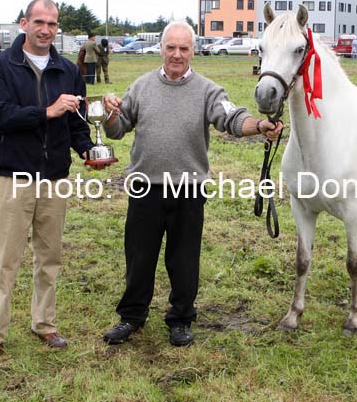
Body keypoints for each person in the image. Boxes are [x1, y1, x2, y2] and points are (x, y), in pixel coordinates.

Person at [101, 20, 283, 347]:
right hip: (145, 188)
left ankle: (181, 318)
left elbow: (231, 117)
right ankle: (131, 316)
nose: (177, 54)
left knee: (184, 259)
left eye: (184, 48)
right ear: (161, 49)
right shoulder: (141, 87)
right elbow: (117, 129)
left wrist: (259, 125)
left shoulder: (207, 90)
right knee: (139, 257)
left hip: (189, 189)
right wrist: (111, 114)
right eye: (171, 47)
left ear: (193, 51)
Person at [0, 0, 97, 360]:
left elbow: (76, 121)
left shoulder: (67, 70)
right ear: (23, 23)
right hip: (15, 176)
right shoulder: (0, 65)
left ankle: (45, 324)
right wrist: (47, 111)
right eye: (39, 22)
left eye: (53, 24)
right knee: (6, 259)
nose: (46, 29)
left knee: (50, 257)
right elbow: (2, 117)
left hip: (55, 177)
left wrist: (89, 150)